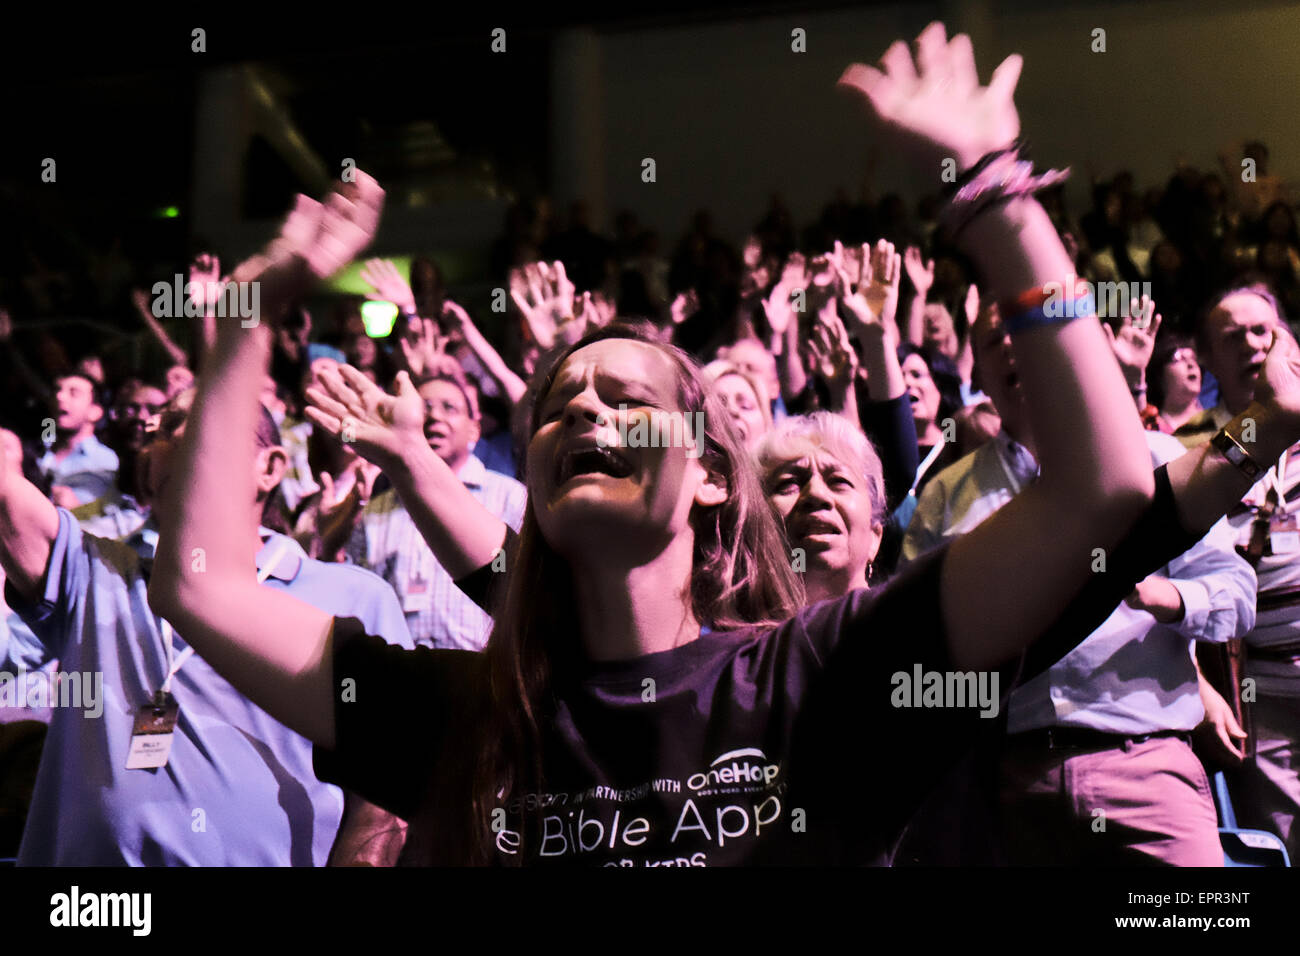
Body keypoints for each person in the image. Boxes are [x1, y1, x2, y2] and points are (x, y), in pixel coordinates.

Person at [150, 26, 1300, 867]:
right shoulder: (465, 714)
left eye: (624, 395)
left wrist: (995, 196)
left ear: (708, 471)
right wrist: (249, 319)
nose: (584, 412)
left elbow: (1101, 487)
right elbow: (203, 586)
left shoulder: (821, 674)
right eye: (556, 403)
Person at [0, 378, 415, 865]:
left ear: (271, 467)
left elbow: (388, 797)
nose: (176, 437)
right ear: (147, 471)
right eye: (165, 427)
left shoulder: (354, 597)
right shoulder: (95, 573)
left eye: (202, 422)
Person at [903, 303, 1257, 865]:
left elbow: (1237, 591)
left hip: (1148, 767)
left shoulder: (1155, 459)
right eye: (995, 341)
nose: (1015, 349)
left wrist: (1171, 599)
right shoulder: (947, 494)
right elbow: (916, 639)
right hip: (1012, 782)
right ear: (978, 372)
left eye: (1028, 334)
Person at [348, 358, 525, 650]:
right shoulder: (378, 508)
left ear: (474, 430)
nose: (434, 417)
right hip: (405, 674)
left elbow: (529, 594)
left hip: (485, 673)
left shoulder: (511, 497)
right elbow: (361, 594)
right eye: (424, 408)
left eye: (450, 408)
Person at [758, 412, 887, 604]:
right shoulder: (729, 632)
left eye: (839, 481)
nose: (816, 494)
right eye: (788, 484)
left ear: (874, 537)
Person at [37, 371, 119, 507]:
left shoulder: (103, 460)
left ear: (94, 412)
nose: (59, 396)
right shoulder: (40, 446)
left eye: (74, 393)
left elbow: (90, 514)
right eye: (58, 390)